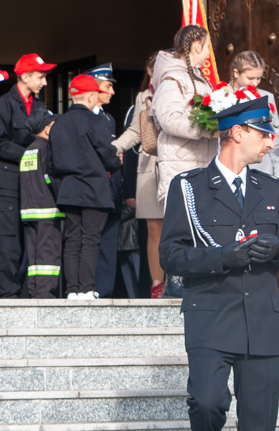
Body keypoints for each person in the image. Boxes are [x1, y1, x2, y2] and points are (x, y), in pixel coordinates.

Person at [159, 96, 279, 431]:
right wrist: (224, 257)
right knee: (206, 401)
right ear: (237, 133)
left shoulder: (272, 189)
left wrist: (274, 251)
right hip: (210, 315)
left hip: (260, 319)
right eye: (263, 133)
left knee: (260, 425)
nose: (269, 142)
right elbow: (171, 255)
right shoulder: (190, 187)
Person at [153, 25, 218, 297]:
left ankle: (198, 277)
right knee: (181, 224)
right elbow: (169, 119)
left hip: (202, 162)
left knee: (203, 222)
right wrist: (206, 128)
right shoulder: (172, 80)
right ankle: (175, 280)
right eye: (207, 46)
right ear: (195, 48)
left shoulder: (200, 79)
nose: (209, 53)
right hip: (180, 163)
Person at [50, 75, 120, 300]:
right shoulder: (95, 121)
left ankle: (72, 290)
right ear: (91, 96)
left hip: (68, 189)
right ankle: (87, 289)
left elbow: (50, 163)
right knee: (90, 239)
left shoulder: (58, 123)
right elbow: (108, 156)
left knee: (72, 239)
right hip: (94, 190)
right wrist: (117, 161)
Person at [0, 53, 55, 298]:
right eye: (40, 76)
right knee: (7, 240)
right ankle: (6, 293)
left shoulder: (40, 107)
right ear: (25, 76)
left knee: (31, 238)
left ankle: (25, 292)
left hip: (32, 185)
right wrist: (29, 155)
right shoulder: (1, 105)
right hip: (5, 184)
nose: (45, 82)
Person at [113, 52, 164, 297]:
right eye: (153, 69)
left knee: (180, 228)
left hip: (178, 165)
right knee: (154, 228)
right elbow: (135, 132)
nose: (156, 74)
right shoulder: (144, 96)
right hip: (150, 167)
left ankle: (180, 279)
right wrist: (113, 148)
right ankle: (157, 284)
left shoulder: (188, 93)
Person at [84, 62, 125, 298]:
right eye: (107, 86)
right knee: (87, 243)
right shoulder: (79, 117)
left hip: (110, 191)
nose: (111, 92)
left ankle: (105, 291)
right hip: (89, 192)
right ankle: (87, 289)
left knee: (109, 245)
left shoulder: (108, 119)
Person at [19, 108, 62, 298]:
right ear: (46, 129)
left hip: (29, 210)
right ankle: (45, 294)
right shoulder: (47, 148)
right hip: (48, 210)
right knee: (49, 253)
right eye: (53, 124)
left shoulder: (28, 151)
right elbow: (49, 177)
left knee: (34, 255)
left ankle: (34, 290)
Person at [229, 50, 279, 181]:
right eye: (250, 78)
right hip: (232, 168)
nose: (255, 83)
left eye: (259, 78)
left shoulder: (267, 98)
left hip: (262, 169)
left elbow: (275, 140)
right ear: (236, 73)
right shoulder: (221, 97)